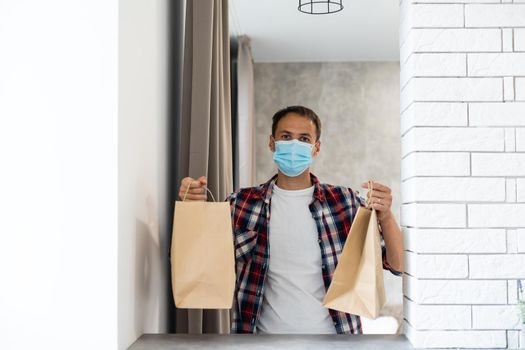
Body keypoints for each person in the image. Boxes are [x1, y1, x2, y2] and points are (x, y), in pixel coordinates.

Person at [178, 105, 404, 335]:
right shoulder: (241, 204)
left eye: (304, 139)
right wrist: (194, 209)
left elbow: (397, 265)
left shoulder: (344, 202)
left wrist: (385, 215)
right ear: (272, 143)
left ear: (316, 149)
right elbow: (201, 263)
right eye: (286, 137)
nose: (294, 145)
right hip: (259, 343)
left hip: (335, 342)